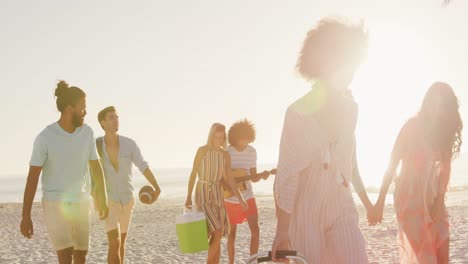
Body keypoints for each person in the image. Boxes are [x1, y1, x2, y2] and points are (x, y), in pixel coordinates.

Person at [271, 17, 372, 263]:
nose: (350, 73)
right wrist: (282, 231)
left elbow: (348, 163)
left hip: (341, 207)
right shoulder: (296, 113)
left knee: (356, 256)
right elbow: (287, 176)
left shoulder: (352, 110)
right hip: (305, 212)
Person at [373, 82, 462, 263]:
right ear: (427, 102)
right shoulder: (411, 127)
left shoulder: (443, 132)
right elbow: (392, 161)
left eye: (443, 105)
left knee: (442, 253)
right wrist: (380, 200)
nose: (438, 109)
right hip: (409, 200)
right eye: (434, 102)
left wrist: (438, 202)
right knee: (426, 257)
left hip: (434, 197)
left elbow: (445, 169)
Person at [20, 80, 108, 264]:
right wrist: (25, 216)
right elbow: (32, 178)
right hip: (54, 203)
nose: (85, 112)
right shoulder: (45, 138)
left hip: (81, 201)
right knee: (66, 253)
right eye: (83, 107)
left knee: (81, 254)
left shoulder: (87, 133)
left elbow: (96, 167)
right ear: (70, 108)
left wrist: (103, 198)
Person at [97, 106, 161, 264]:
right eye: (111, 117)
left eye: (117, 117)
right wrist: (95, 198)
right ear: (102, 122)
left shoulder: (129, 144)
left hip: (127, 200)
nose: (116, 120)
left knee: (121, 244)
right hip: (108, 201)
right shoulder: (96, 145)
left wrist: (156, 187)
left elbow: (143, 166)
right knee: (114, 243)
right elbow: (91, 175)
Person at [185, 123, 248, 264]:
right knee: (217, 231)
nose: (218, 140)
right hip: (203, 193)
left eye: (221, 138)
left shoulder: (225, 154)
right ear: (211, 136)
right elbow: (193, 173)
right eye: (216, 137)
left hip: (217, 196)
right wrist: (188, 197)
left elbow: (229, 179)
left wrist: (241, 199)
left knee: (217, 236)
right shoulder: (202, 151)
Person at [224, 119, 270, 264]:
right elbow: (224, 177)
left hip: (248, 195)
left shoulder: (252, 152)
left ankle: (252, 260)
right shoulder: (228, 151)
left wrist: (261, 177)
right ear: (235, 137)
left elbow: (253, 177)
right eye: (241, 137)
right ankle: (231, 262)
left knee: (255, 231)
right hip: (230, 198)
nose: (245, 141)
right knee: (231, 235)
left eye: (247, 138)